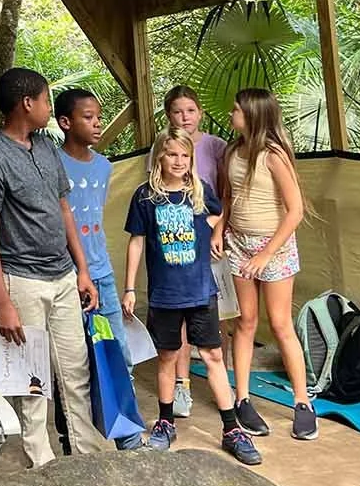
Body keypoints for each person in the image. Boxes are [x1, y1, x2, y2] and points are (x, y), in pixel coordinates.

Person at [0, 68, 106, 467]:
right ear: (27, 104)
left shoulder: (46, 146)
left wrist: (82, 270)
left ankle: (85, 455)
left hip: (64, 276)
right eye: (47, 100)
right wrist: (2, 302)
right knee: (31, 380)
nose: (49, 107)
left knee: (76, 371)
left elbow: (65, 210)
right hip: (22, 281)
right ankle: (41, 461)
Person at [122, 127, 261, 466]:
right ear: (159, 156)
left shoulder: (199, 191)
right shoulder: (145, 196)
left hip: (201, 291)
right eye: (172, 154)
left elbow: (220, 211)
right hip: (165, 294)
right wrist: (129, 288)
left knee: (213, 355)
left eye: (185, 155)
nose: (179, 161)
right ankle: (165, 422)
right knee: (167, 357)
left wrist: (213, 232)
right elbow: (136, 242)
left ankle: (232, 429)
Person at [221, 88, 318, 441]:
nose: (231, 114)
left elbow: (295, 211)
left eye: (236, 110)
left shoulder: (274, 155)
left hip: (273, 248)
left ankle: (303, 402)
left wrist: (265, 255)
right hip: (238, 244)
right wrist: (219, 229)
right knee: (244, 322)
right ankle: (242, 398)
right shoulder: (232, 151)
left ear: (253, 115)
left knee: (280, 324)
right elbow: (230, 197)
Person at [51, 88, 144, 452]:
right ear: (65, 122)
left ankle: (128, 437)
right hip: (65, 277)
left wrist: (93, 268)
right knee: (73, 361)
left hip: (101, 274)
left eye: (99, 117)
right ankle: (71, 438)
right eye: (88, 117)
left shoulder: (104, 166)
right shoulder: (53, 164)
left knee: (116, 350)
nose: (97, 123)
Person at [162, 84, 228, 417]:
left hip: (212, 241)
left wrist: (218, 231)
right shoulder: (163, 146)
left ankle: (226, 384)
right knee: (181, 317)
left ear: (200, 112)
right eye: (177, 111)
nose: (185, 117)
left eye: (190, 110)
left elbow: (226, 194)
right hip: (177, 246)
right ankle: (182, 385)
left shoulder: (216, 146)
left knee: (221, 311)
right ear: (168, 115)